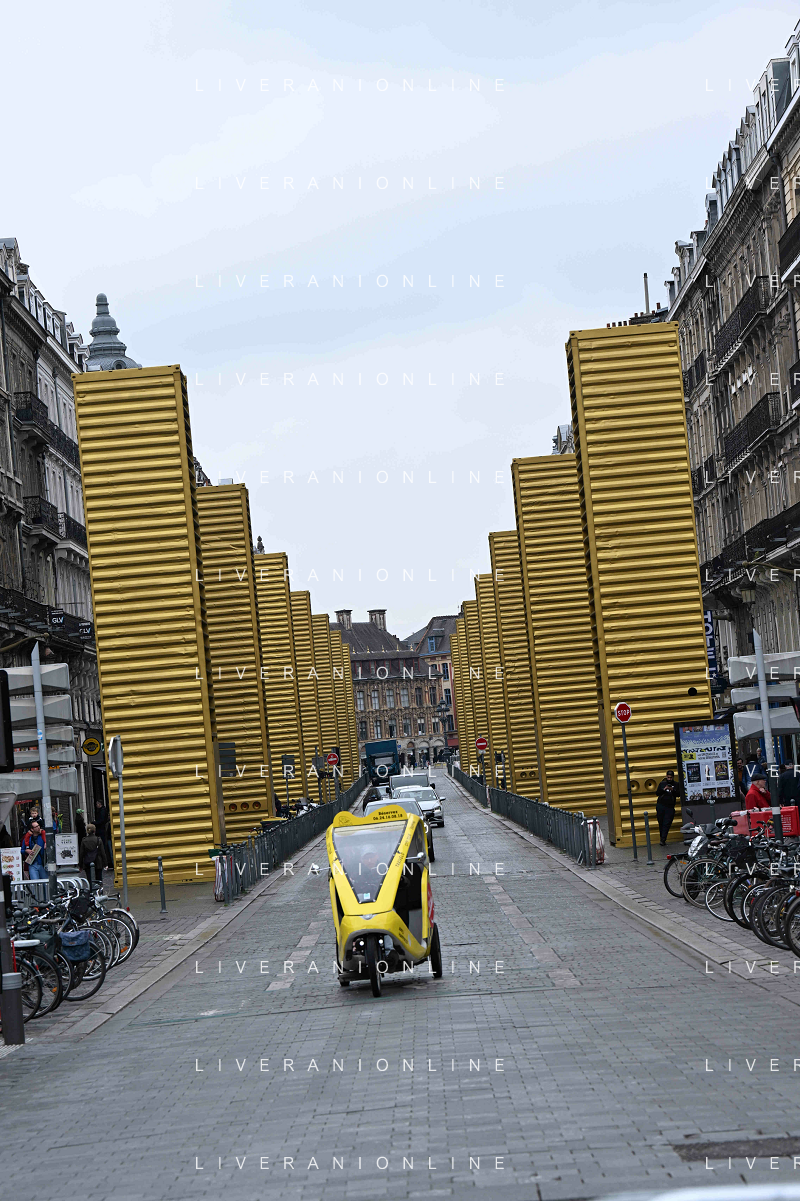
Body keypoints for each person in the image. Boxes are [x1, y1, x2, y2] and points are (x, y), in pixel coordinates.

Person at [655, 770, 680, 845]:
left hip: (670, 807)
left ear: (673, 777)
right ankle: (662, 838)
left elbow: (678, 794)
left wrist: (673, 790)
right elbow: (657, 793)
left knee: (667, 823)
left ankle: (663, 839)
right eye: (668, 777)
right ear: (666, 776)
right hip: (661, 805)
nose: (669, 779)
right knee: (661, 822)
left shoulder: (676, 784)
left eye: (671, 778)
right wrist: (664, 789)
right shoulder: (662, 783)